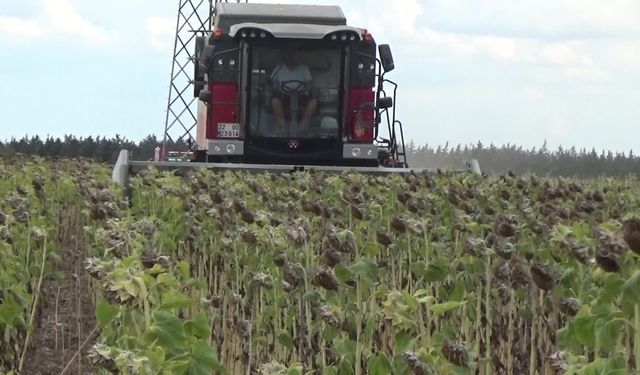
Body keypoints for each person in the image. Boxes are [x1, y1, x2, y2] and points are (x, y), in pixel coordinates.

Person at [270, 50, 318, 136]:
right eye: (289, 56)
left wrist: (305, 88)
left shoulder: (304, 68)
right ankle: (284, 128)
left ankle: (301, 129)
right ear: (285, 57)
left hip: (301, 94)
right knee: (275, 101)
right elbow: (272, 82)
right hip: (283, 94)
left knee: (313, 103)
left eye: (293, 56)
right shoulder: (279, 67)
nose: (291, 58)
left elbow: (309, 83)